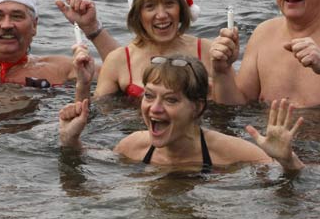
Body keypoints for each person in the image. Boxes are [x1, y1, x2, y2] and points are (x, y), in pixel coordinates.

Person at [59, 54, 305, 172]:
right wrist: (71, 141)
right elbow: (93, 162)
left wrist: (288, 160)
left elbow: (306, 181)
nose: (154, 108)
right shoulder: (132, 146)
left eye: (171, 99)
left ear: (197, 107)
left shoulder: (232, 151)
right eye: (149, 95)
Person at [75, 0, 212, 102]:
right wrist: (83, 86)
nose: (161, 15)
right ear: (137, 15)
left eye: (169, 4)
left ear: (181, 8)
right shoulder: (117, 61)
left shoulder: (206, 51)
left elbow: (232, 107)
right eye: (150, 6)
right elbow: (93, 119)